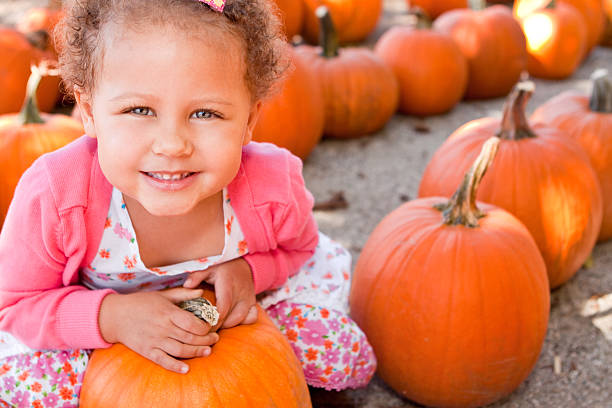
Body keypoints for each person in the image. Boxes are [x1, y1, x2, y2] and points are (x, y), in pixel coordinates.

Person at [0, 0, 376, 405]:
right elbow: (17, 305)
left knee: (334, 348)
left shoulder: (272, 186)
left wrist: (251, 272)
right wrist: (112, 317)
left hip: (234, 319)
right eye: (139, 109)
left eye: (205, 113)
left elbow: (301, 249)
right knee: (21, 383)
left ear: (250, 119)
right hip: (101, 331)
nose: (173, 145)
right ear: (89, 112)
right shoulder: (58, 194)